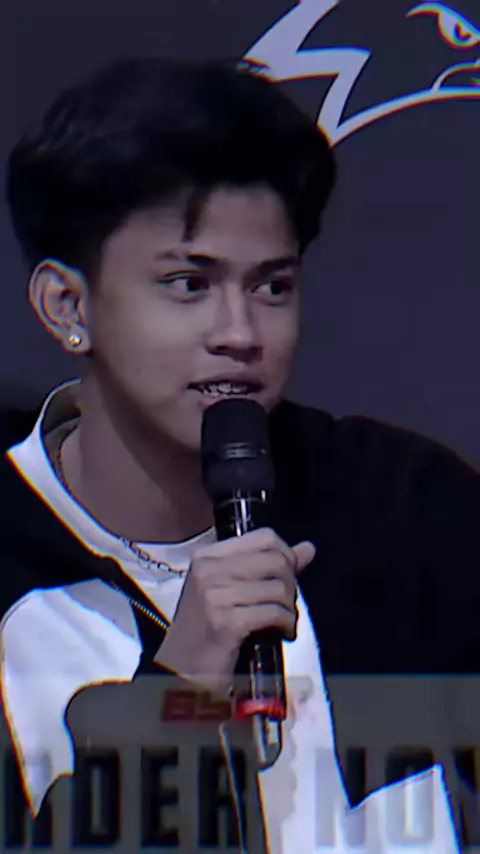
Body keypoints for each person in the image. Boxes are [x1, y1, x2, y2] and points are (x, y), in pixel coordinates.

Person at [1, 55, 479, 853]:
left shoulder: (397, 504)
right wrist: (181, 687)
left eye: (271, 287)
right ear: (68, 305)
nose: (241, 333)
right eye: (189, 284)